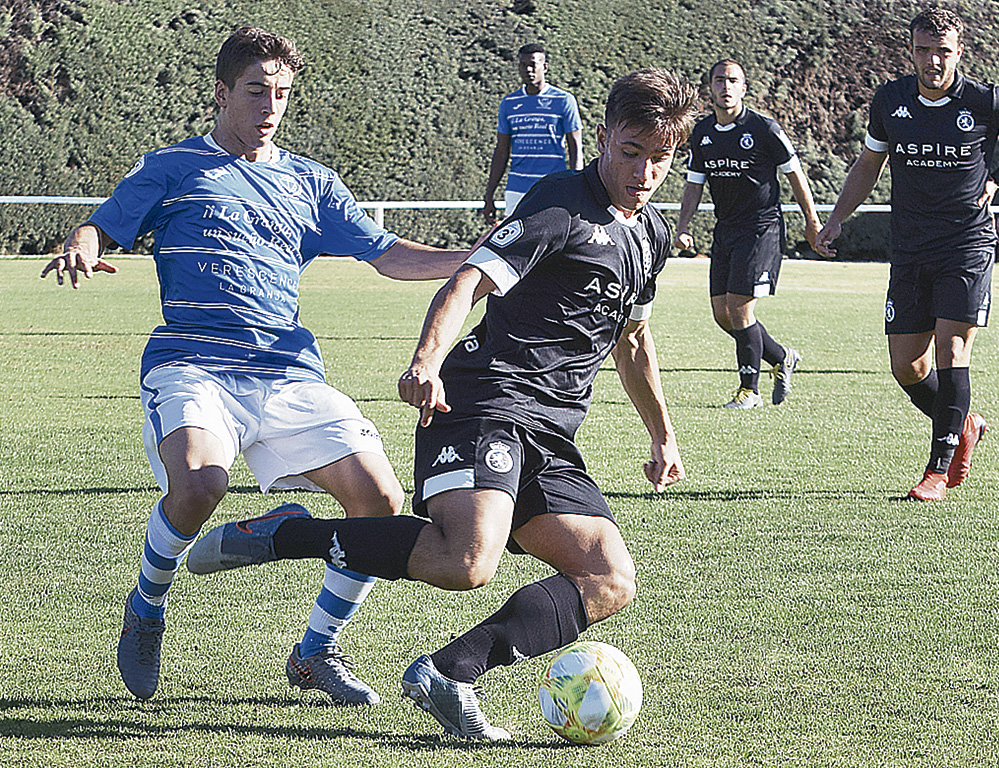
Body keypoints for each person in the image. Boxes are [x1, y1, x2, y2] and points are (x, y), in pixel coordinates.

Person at [187, 68, 697, 739]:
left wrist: (663, 436)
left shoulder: (652, 234)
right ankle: (290, 533)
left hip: (552, 432)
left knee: (608, 578)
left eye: (659, 158)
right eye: (631, 152)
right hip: (485, 399)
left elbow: (633, 340)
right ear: (601, 138)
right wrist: (426, 361)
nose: (642, 171)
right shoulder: (558, 204)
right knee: (467, 563)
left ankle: (449, 673)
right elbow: (468, 282)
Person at [39, 27, 469, 704]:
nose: (270, 106)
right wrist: (83, 244)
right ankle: (147, 605)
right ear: (221, 93)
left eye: (282, 93)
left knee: (381, 504)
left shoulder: (311, 182)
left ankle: (316, 651)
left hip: (286, 373)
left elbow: (387, 253)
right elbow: (102, 224)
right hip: (193, 365)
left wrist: (476, 264)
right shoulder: (173, 167)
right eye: (256, 91)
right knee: (200, 486)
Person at [816, 8, 999, 500]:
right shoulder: (890, 101)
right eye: (924, 51)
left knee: (952, 350)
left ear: (960, 52)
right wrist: (837, 217)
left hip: (966, 242)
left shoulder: (986, 99)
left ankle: (938, 467)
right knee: (907, 365)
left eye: (944, 52)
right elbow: (869, 163)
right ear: (910, 51)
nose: (934, 61)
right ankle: (963, 425)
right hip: (910, 246)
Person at [674, 58, 822, 409]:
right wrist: (682, 227)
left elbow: (795, 175)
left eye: (733, 80)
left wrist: (812, 221)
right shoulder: (703, 133)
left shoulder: (763, 129)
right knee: (722, 315)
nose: (726, 87)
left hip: (761, 228)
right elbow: (694, 186)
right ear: (709, 87)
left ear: (744, 87)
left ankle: (749, 390)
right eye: (719, 80)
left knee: (739, 309)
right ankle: (782, 356)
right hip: (726, 229)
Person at [481, 43, 584, 225]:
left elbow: (575, 147)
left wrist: (578, 188)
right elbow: (501, 151)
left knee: (553, 242)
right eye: (523, 65)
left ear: (544, 67)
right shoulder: (509, 103)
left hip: (553, 186)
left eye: (533, 65)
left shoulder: (564, 100)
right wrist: (489, 194)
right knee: (515, 246)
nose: (528, 70)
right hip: (517, 188)